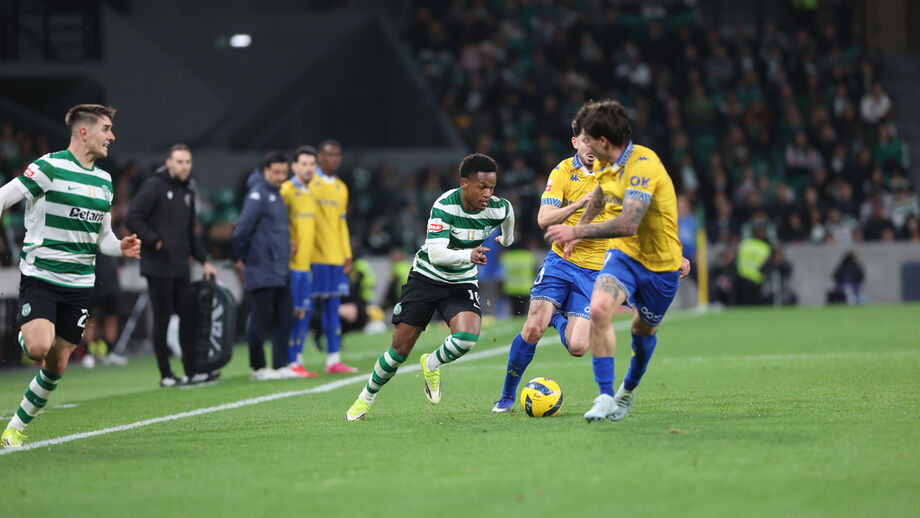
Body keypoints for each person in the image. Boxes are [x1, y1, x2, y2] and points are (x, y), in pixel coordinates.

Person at [0, 104, 141, 448]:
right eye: (106, 129)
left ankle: (15, 427)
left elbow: (102, 238)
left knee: (57, 365)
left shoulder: (104, 181)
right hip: (42, 277)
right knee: (37, 347)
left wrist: (118, 246)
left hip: (79, 286)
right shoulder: (50, 166)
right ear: (84, 132)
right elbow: (5, 196)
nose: (112, 136)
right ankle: (26, 332)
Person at [545, 100, 689, 422]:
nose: (587, 145)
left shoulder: (643, 166)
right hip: (624, 255)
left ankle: (627, 389)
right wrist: (579, 233)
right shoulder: (606, 163)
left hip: (660, 265)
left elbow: (628, 223)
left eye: (590, 138)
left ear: (605, 141)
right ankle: (605, 397)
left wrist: (577, 231)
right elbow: (600, 196)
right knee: (598, 309)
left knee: (642, 333)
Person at [345, 153, 515, 420]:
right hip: (426, 278)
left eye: (492, 187)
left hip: (461, 281)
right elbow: (436, 254)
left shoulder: (498, 207)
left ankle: (432, 362)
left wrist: (506, 239)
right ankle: (366, 397)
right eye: (482, 186)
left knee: (467, 338)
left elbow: (508, 220)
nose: (488, 193)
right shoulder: (444, 206)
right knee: (399, 352)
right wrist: (468, 256)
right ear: (464, 183)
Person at [492, 113, 615, 413]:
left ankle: (556, 318)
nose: (590, 147)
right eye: (584, 140)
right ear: (575, 142)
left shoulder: (612, 175)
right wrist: (577, 204)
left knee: (577, 347)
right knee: (533, 328)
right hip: (561, 262)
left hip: (593, 271)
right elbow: (543, 219)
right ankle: (507, 396)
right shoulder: (562, 172)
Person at [126, 144, 218, 386]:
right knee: (163, 319)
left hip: (180, 266)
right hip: (158, 267)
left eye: (187, 162)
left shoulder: (187, 191)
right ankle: (166, 374)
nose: (184, 166)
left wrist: (205, 260)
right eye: (179, 161)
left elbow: (190, 234)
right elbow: (132, 217)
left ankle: (191, 371)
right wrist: (155, 241)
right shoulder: (154, 186)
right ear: (169, 163)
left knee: (189, 318)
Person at [233, 152, 299, 381]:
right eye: (277, 172)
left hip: (280, 269)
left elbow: (270, 232)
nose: (281, 177)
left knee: (285, 317)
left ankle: (280, 365)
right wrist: (243, 258)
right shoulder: (257, 196)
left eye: (284, 172)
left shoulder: (276, 195)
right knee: (260, 320)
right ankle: (258, 367)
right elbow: (241, 232)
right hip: (261, 268)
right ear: (266, 171)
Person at [310, 139, 357, 373]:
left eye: (338, 156)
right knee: (305, 308)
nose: (334, 160)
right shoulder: (310, 183)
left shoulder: (341, 187)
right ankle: (293, 360)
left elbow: (341, 224)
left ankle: (333, 360)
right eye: (330, 155)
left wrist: (347, 254)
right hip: (313, 257)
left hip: (335, 257)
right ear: (320, 157)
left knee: (333, 308)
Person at [280, 145, 319, 378]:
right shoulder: (285, 190)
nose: (308, 168)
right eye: (304, 164)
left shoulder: (311, 191)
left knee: (304, 312)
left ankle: (297, 359)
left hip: (307, 264)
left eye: (312, 164)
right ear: (294, 166)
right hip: (291, 266)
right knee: (293, 312)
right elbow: (276, 222)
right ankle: (288, 360)